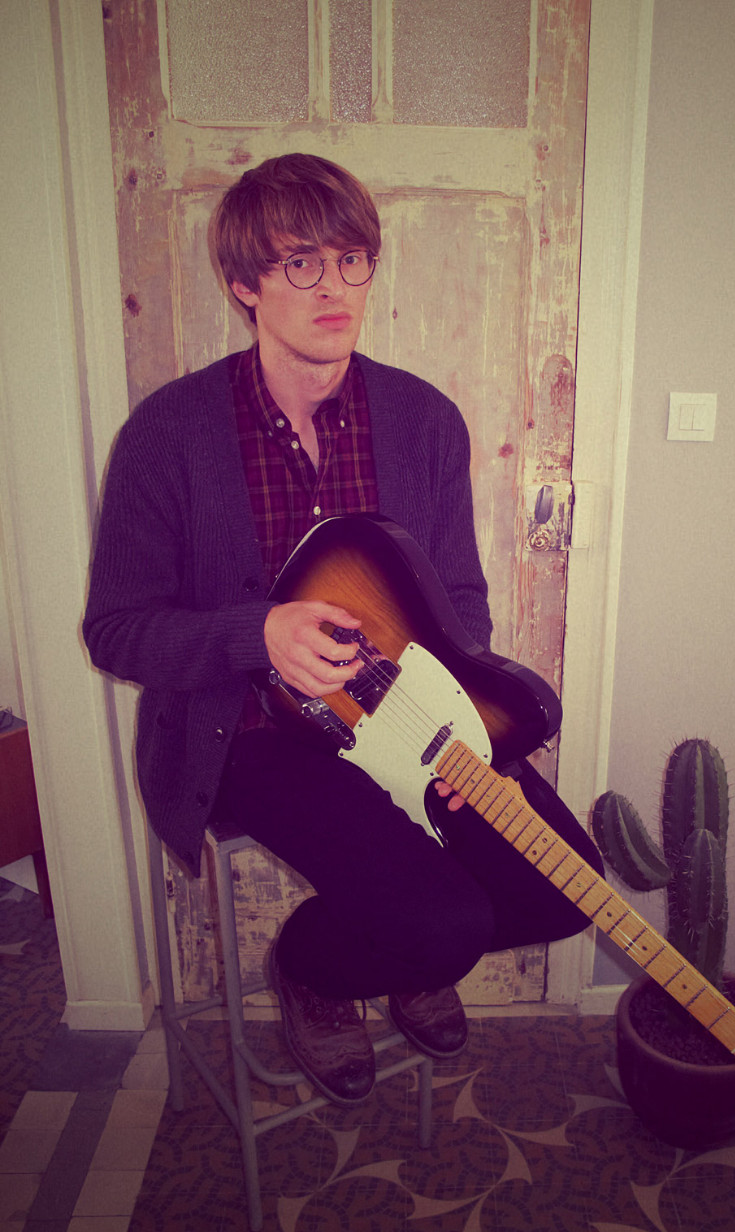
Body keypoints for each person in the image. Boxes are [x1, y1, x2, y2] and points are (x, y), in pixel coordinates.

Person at [84, 154, 602, 1106]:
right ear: (243, 284)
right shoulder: (167, 435)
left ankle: (401, 951)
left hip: (410, 719)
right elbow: (115, 631)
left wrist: (459, 720)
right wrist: (256, 635)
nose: (334, 288)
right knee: (442, 923)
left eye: (352, 259)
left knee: (563, 889)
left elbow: (459, 599)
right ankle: (315, 973)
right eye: (300, 264)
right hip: (249, 731)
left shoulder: (423, 420)